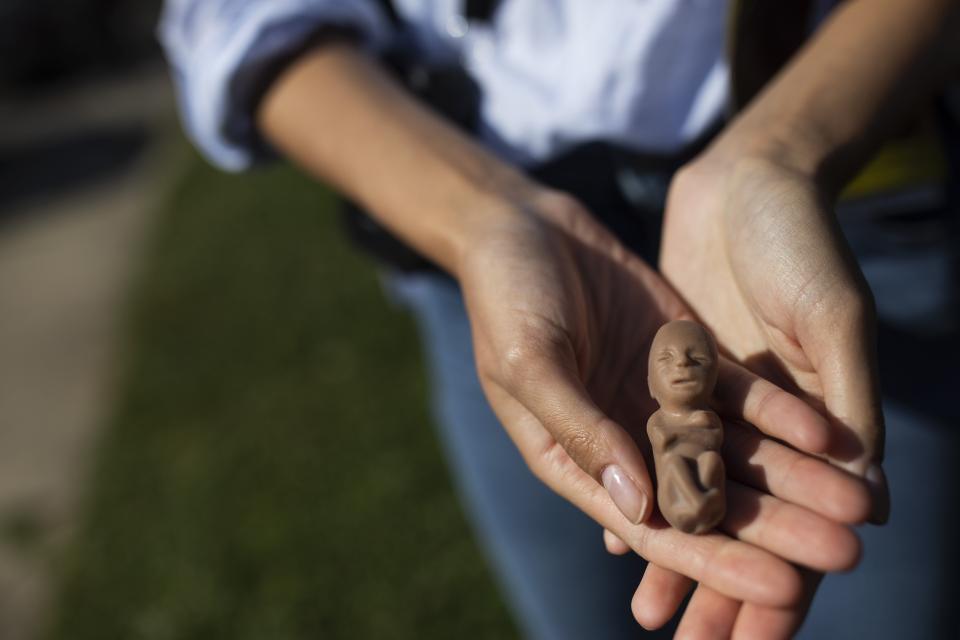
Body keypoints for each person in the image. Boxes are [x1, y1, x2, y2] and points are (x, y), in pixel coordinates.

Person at [158, 1, 960, 637]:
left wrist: (783, 146)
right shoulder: (677, 427)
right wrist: (481, 219)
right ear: (650, 372)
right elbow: (236, 21)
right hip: (484, 226)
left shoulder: (697, 424)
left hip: (834, 188)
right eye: (676, 361)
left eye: (689, 361)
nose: (684, 369)